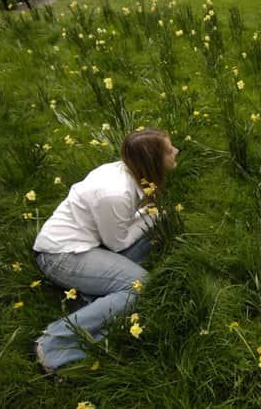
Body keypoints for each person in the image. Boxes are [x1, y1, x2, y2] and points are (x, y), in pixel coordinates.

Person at [33, 128, 179, 373]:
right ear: (152, 161)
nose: (175, 151)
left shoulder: (124, 172)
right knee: (139, 286)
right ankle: (51, 343)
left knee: (157, 224)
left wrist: (152, 217)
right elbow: (118, 243)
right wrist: (149, 218)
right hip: (60, 255)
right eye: (169, 150)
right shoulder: (115, 193)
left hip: (85, 244)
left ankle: (89, 300)